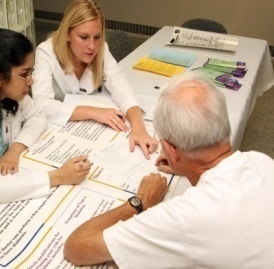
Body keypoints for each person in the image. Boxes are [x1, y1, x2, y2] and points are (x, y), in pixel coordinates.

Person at [63, 72, 274, 268]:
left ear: (172, 151)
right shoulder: (262, 161)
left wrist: (141, 201)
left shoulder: (184, 216)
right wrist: (187, 167)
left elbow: (76, 248)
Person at [0, 28, 91, 204]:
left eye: (30, 72)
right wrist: (57, 176)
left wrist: (15, 149)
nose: (31, 81)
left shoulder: (7, 95)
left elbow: (38, 115)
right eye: (24, 74)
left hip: (7, 185)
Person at [32, 0, 157, 159]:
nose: (92, 46)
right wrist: (93, 112)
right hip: (60, 131)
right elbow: (41, 105)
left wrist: (138, 127)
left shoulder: (101, 49)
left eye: (97, 37)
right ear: (68, 34)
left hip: (90, 134)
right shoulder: (46, 52)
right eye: (84, 37)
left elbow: (121, 86)